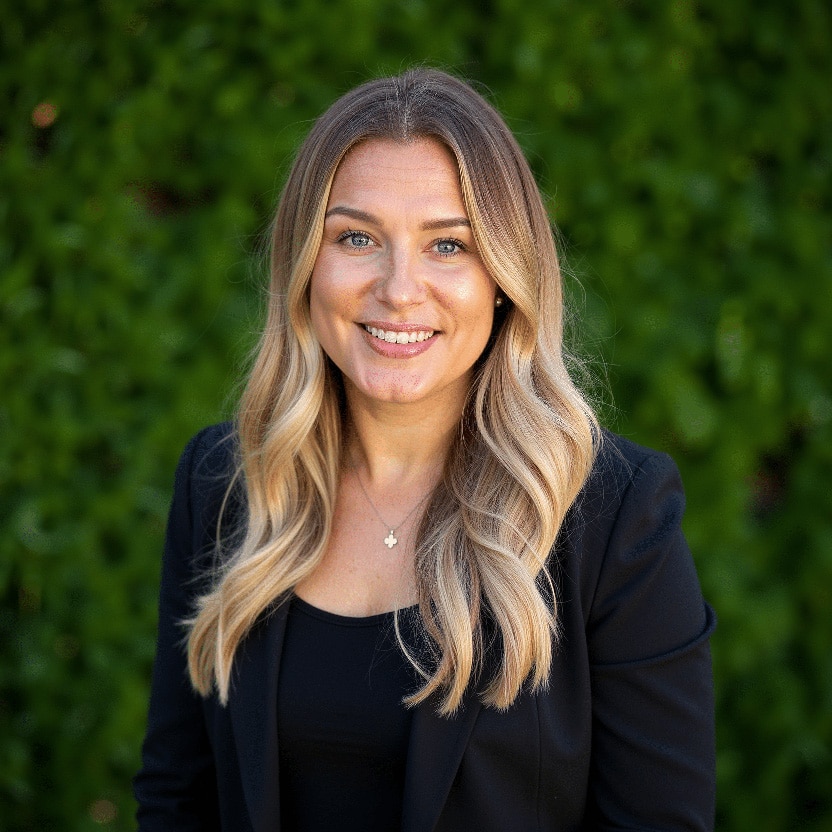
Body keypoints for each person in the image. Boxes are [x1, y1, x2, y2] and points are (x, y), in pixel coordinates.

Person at [134, 68, 716, 831]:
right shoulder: (227, 487)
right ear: (305, 264)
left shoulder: (615, 518)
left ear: (506, 279)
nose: (399, 289)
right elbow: (178, 799)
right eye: (357, 238)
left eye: (448, 245)